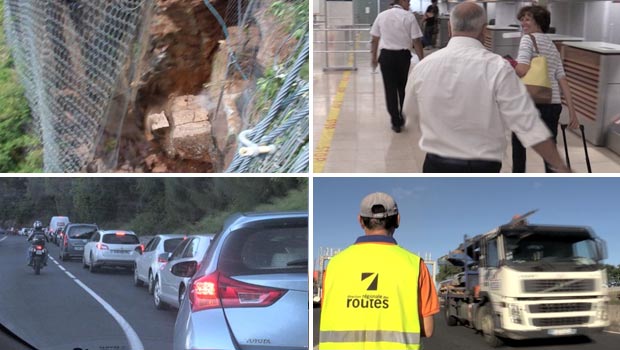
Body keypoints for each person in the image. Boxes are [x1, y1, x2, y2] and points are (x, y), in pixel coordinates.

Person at [403, 2, 570, 173]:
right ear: (484, 29)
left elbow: (410, 115)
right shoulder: (499, 67)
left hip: (435, 164)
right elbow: (527, 124)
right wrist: (561, 167)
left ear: (449, 26)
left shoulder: (423, 67)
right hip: (484, 167)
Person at [319, 192, 439, 350]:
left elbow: (329, 313)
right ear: (398, 220)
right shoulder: (415, 265)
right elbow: (427, 330)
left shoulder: (334, 265)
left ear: (360, 220)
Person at [511, 5, 579, 173]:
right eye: (522, 19)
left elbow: (522, 70)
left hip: (530, 102)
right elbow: (562, 78)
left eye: (527, 19)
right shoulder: (552, 46)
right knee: (550, 152)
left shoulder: (527, 39)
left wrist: (508, 64)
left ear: (539, 22)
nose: (523, 23)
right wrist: (572, 110)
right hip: (552, 104)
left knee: (519, 148)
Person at [370, 0, 424, 133]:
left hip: (386, 57)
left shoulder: (382, 15)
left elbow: (374, 39)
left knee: (390, 88)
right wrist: (422, 59)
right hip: (403, 57)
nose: (409, 5)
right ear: (402, 1)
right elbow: (416, 40)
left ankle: (396, 121)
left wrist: (373, 58)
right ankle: (402, 114)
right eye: (408, 2)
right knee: (402, 86)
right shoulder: (409, 16)